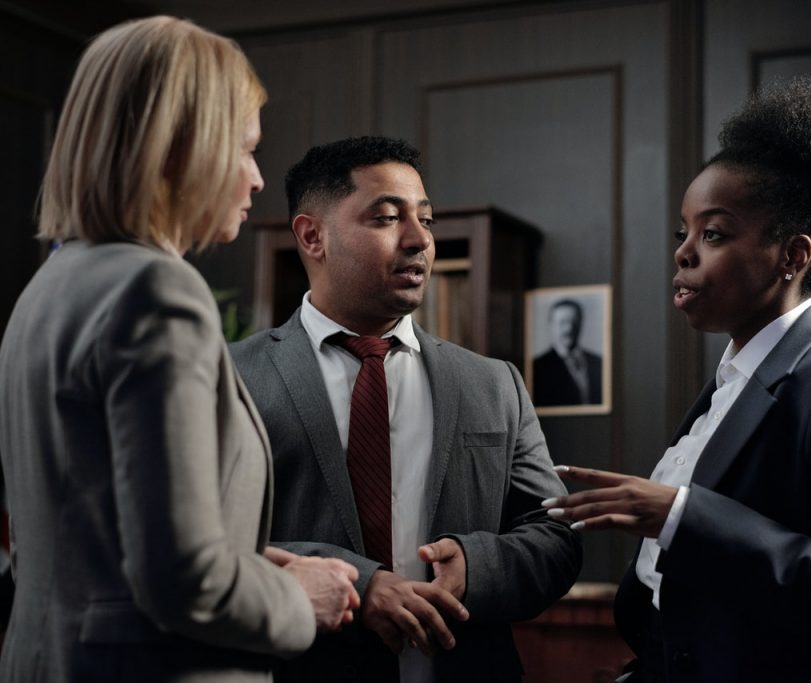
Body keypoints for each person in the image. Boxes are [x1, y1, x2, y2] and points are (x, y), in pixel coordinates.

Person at [0, 16, 361, 682]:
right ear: (178, 146)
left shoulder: (48, 288)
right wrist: (298, 596)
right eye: (246, 148)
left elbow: (82, 540)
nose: (257, 179)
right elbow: (182, 580)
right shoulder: (157, 291)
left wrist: (248, 560)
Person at [542, 75, 811, 682]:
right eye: (683, 233)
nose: (683, 253)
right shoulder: (729, 383)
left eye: (713, 233)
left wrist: (680, 515)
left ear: (792, 257)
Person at [229, 136, 582, 683]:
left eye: (427, 219)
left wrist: (475, 566)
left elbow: (555, 537)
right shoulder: (228, 378)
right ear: (312, 235)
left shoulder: (494, 383)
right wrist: (358, 582)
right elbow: (202, 543)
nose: (419, 240)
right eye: (388, 218)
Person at [532, 298, 603, 406]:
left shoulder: (599, 363)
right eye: (562, 323)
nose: (569, 328)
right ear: (551, 325)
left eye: (573, 322)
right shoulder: (537, 368)